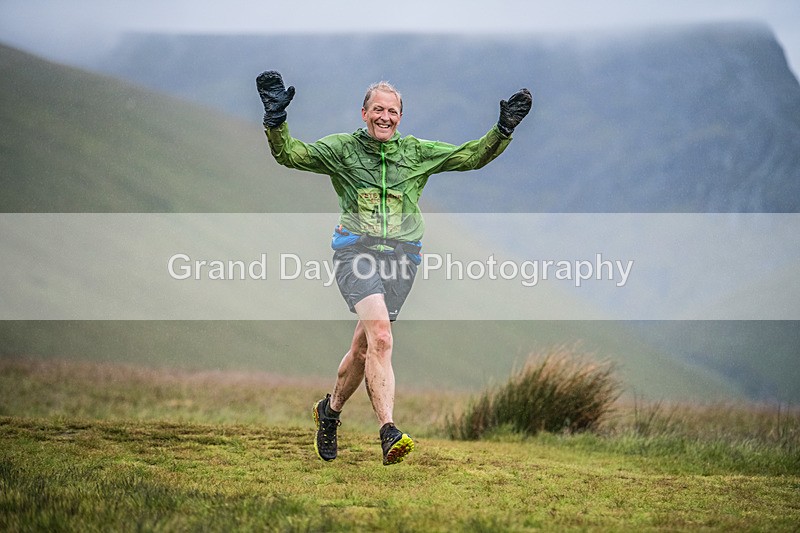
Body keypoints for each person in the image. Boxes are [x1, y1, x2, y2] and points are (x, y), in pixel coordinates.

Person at [256, 71, 532, 465]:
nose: (385, 117)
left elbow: (470, 157)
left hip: (403, 258)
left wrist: (502, 130)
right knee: (382, 338)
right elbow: (290, 155)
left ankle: (329, 412)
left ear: (400, 116)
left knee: (364, 346)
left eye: (393, 111)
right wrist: (276, 122)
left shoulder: (416, 152)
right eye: (378, 110)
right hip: (356, 253)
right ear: (364, 113)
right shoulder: (342, 150)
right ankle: (388, 430)